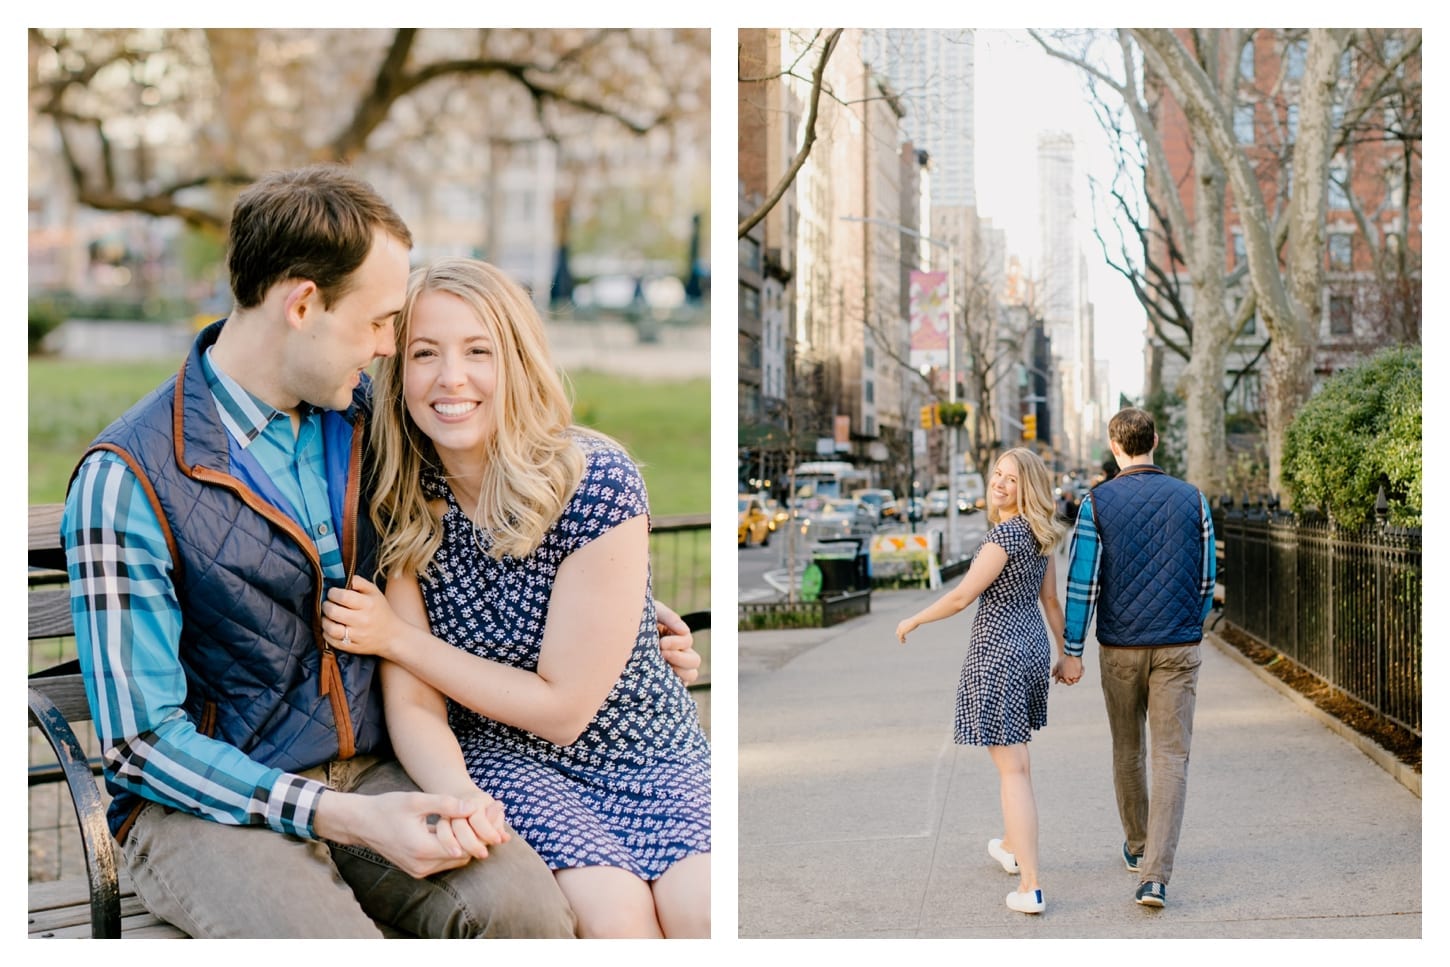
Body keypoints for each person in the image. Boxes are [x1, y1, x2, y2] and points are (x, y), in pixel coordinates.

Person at [60, 164, 700, 939]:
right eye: (378, 321)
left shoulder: (374, 424)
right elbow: (140, 744)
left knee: (527, 913)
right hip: (211, 807)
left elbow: (505, 527)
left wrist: (624, 618)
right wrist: (346, 817)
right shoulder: (126, 479)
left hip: (381, 767)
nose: (393, 345)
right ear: (303, 304)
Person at [321, 257, 711, 938]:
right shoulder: (403, 497)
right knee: (615, 919)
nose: (451, 378)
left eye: (479, 351)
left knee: (703, 911)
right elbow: (413, 703)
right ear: (398, 371)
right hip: (506, 758)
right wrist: (462, 796)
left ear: (519, 361)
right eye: (424, 353)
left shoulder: (595, 482)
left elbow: (562, 709)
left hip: (646, 748)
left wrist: (398, 638)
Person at [894, 447, 1069, 915]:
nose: (1000, 483)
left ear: (1026, 488)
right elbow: (1050, 602)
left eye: (1011, 479)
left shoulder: (1006, 537)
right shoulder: (1040, 534)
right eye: (997, 474)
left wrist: (914, 619)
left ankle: (1030, 885)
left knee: (1012, 767)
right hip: (1030, 647)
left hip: (1000, 652)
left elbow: (961, 597)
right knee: (1017, 762)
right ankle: (1012, 846)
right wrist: (1066, 652)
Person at [1055, 407, 1216, 910]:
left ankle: (1138, 845)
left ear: (1113, 445)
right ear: (1157, 440)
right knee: (1172, 757)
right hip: (1177, 645)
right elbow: (1207, 579)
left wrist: (1072, 651)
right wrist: (1191, 624)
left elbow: (1083, 583)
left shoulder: (1096, 504)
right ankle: (1155, 877)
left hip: (1120, 647)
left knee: (1128, 750)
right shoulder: (1193, 499)